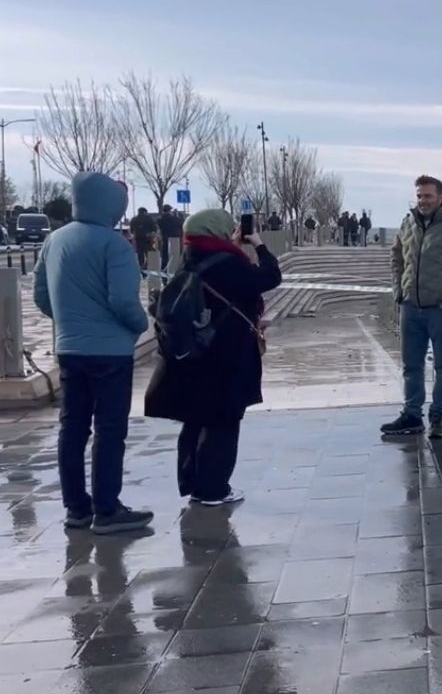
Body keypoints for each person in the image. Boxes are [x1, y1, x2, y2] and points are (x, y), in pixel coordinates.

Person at [33, 172, 154, 534]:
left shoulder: (53, 241)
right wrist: (139, 324)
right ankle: (107, 509)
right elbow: (123, 300)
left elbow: (42, 295)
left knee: (72, 429)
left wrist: (71, 321)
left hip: (69, 348)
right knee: (109, 428)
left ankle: (76, 508)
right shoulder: (114, 245)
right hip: (111, 353)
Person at [144, 209, 282, 505]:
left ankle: (193, 484)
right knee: (223, 420)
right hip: (225, 353)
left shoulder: (189, 256)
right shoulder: (227, 261)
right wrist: (257, 244)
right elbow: (270, 276)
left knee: (196, 418)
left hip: (196, 351)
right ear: (216, 231)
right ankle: (214, 489)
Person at [382, 176, 442, 438]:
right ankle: (412, 415)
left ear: (441, 197)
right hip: (411, 307)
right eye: (420, 196)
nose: (423, 201)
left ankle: (438, 417)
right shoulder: (408, 223)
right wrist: (399, 290)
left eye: (428, 196)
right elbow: (396, 256)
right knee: (411, 365)